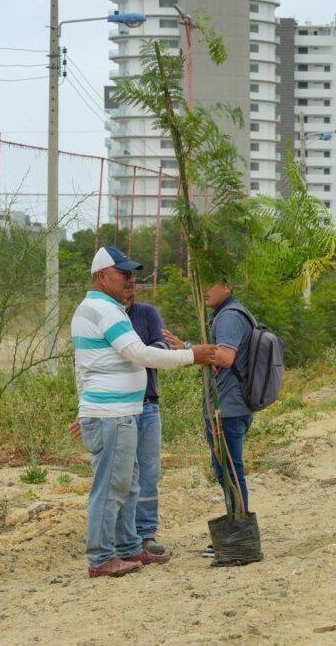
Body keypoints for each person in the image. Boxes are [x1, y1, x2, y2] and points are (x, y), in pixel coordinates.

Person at [71, 247, 217, 578]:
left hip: (120, 412)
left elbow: (84, 367)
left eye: (133, 275)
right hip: (111, 414)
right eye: (124, 275)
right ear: (102, 276)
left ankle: (128, 547)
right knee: (111, 486)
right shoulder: (103, 311)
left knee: (129, 483)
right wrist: (191, 355)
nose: (131, 281)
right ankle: (101, 558)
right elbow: (138, 353)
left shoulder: (103, 308)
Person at [166, 278, 257, 534]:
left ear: (228, 286)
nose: (205, 289)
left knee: (229, 472)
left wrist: (189, 351)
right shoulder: (232, 312)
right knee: (228, 471)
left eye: (211, 283)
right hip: (232, 406)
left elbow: (226, 358)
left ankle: (239, 532)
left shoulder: (228, 316)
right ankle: (237, 529)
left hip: (227, 408)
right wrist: (187, 349)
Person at [122, 291, 172, 557]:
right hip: (118, 408)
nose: (128, 291)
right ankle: (124, 536)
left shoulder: (147, 313)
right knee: (124, 475)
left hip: (148, 404)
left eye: (132, 284)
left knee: (149, 473)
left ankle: (146, 533)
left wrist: (142, 354)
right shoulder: (105, 316)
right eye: (124, 283)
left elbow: (162, 347)